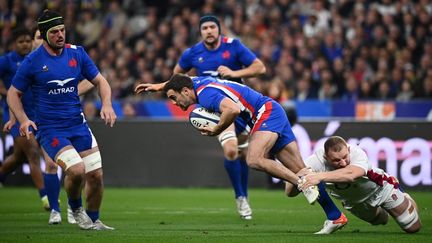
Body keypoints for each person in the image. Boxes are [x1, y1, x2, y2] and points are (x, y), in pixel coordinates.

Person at [160, 74, 348, 233]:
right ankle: (335, 216)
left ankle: (302, 184)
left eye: (173, 97)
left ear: (185, 91)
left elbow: (232, 110)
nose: (174, 102)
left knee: (254, 159)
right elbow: (184, 79)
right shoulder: (198, 82)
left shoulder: (205, 94)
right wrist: (157, 86)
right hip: (272, 111)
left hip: (265, 114)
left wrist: (218, 128)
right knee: (301, 169)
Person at [136, 14, 266, 219]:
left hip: (238, 104)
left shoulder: (234, 46)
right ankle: (241, 198)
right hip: (215, 107)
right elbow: (176, 80)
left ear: (219, 29)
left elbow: (260, 68)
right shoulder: (192, 53)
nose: (209, 31)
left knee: (241, 153)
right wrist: (158, 87)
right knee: (231, 151)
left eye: (212, 27)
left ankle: (243, 195)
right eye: (205, 28)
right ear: (200, 31)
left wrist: (232, 73)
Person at [7, 10, 116, 230]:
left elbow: (100, 81)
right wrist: (24, 120)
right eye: (54, 32)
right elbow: (12, 93)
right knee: (76, 170)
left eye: (62, 30)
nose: (60, 35)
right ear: (45, 34)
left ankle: (94, 221)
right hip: (51, 129)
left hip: (78, 124)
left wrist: (106, 104)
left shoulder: (77, 53)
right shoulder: (33, 61)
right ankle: (75, 208)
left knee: (96, 175)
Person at [288, 136, 421, 233]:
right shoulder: (315, 162)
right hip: (353, 202)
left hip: (380, 189)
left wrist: (319, 176)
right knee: (381, 220)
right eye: (336, 160)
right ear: (325, 158)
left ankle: (404, 197)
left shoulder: (357, 152)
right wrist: (299, 181)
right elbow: (289, 192)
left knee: (411, 227)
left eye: (345, 157)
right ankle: (394, 207)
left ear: (348, 149)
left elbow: (352, 174)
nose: (343, 163)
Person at [0, 27, 49, 210]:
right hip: (16, 115)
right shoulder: (6, 61)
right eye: (21, 41)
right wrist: (7, 93)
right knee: (33, 153)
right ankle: (46, 198)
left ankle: (1, 175)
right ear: (14, 44)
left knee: (19, 157)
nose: (25, 44)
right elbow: (12, 91)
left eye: (28, 41)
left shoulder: (36, 60)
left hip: (36, 113)